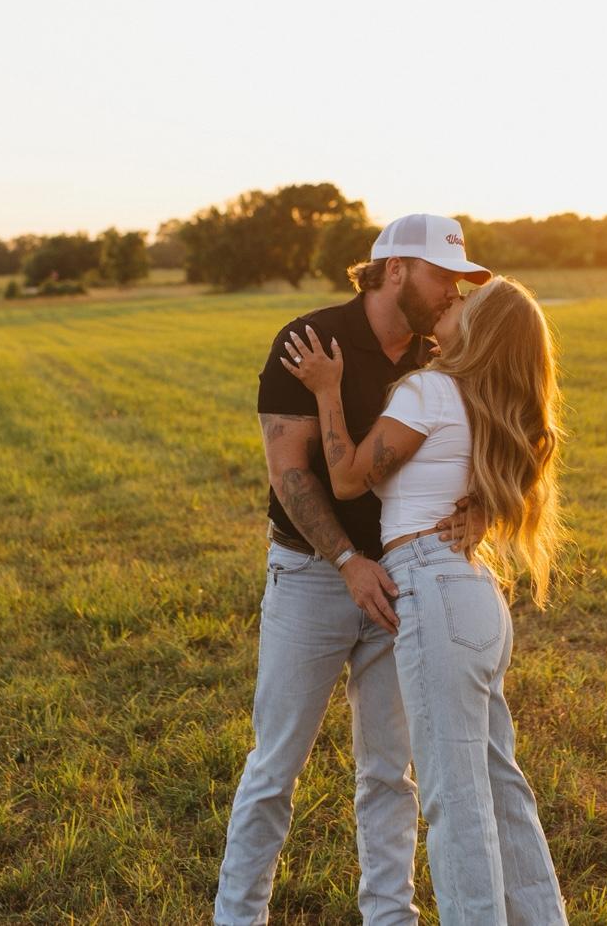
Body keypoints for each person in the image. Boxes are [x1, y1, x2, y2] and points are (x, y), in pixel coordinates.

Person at [214, 214, 492, 926]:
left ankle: (390, 917)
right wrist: (346, 562)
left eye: (461, 279)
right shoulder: (311, 341)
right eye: (443, 275)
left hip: (405, 585)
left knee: (389, 773)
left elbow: (484, 445)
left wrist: (483, 512)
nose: (453, 292)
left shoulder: (446, 354)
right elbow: (291, 475)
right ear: (396, 269)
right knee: (275, 767)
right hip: (313, 577)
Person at [281, 275, 569, 926]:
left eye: (465, 301)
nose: (450, 299)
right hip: (474, 594)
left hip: (433, 591)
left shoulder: (433, 390)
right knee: (500, 789)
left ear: (480, 328)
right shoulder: (489, 400)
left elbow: (348, 479)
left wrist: (327, 390)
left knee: (454, 800)